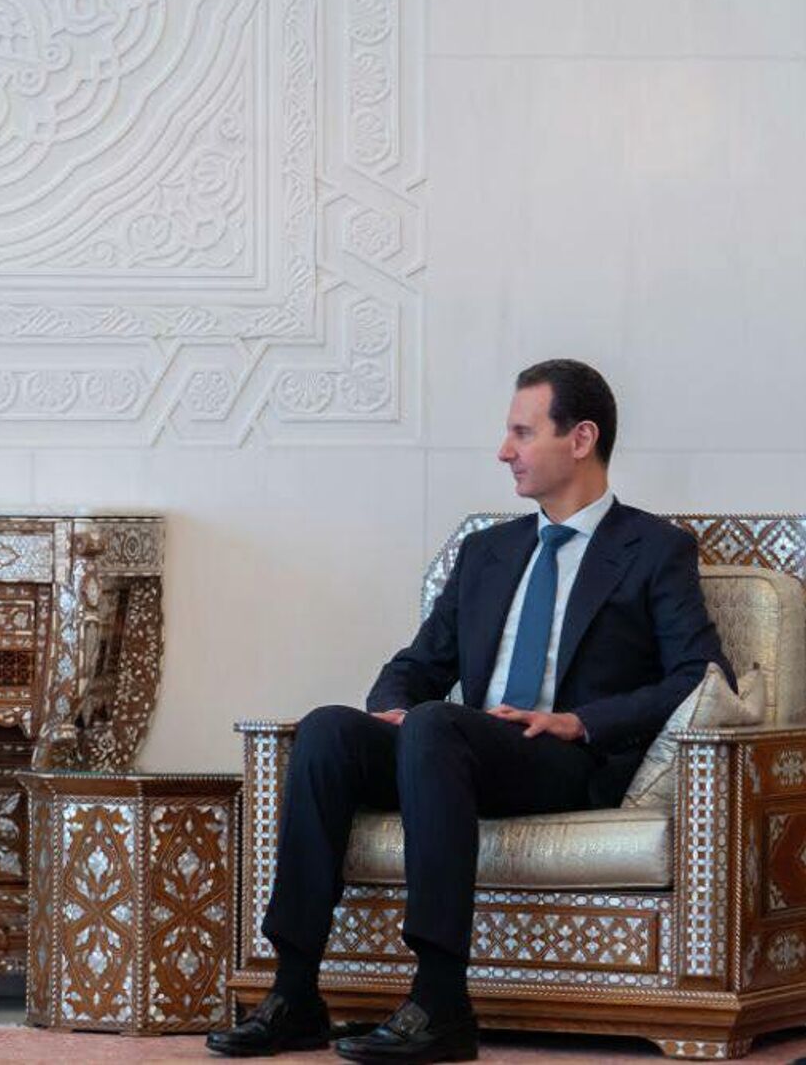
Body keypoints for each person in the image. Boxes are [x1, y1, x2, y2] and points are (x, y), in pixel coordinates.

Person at [207, 359, 729, 1064]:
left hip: (562, 758)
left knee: (436, 726)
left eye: (522, 432)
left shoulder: (653, 549)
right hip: (455, 751)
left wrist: (582, 721)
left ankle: (440, 1000)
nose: (504, 451)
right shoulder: (488, 550)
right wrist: (393, 709)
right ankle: (295, 992)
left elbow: (702, 675)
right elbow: (416, 665)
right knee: (330, 729)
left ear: (580, 439)